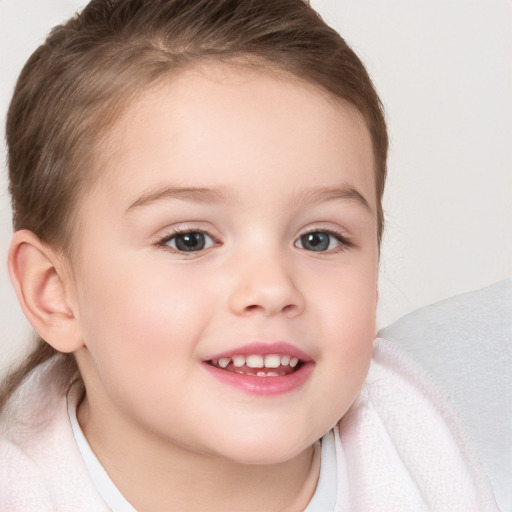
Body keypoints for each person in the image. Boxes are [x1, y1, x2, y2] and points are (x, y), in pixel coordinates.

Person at [0, 0, 499, 510]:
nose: (271, 288)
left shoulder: (455, 442)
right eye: (188, 239)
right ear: (55, 293)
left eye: (318, 238)